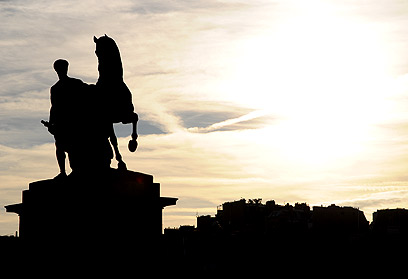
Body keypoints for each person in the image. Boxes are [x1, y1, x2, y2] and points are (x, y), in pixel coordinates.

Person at [48, 59, 87, 178]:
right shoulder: (55, 88)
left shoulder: (76, 83)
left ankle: (76, 170)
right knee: (60, 147)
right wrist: (51, 123)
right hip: (61, 122)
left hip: (74, 121)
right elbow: (53, 107)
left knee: (73, 147)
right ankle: (63, 172)